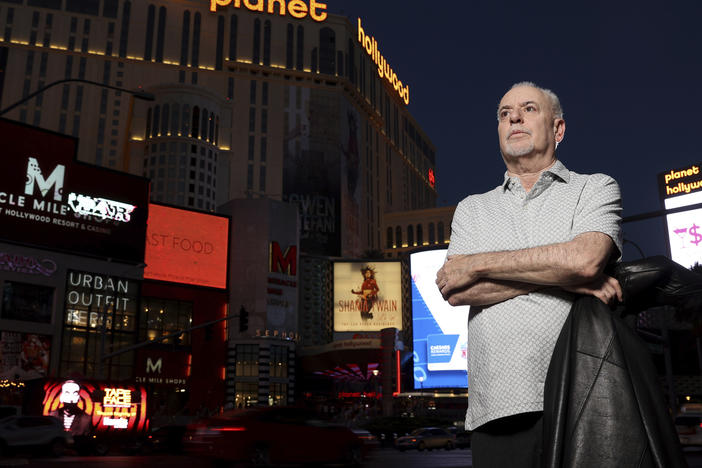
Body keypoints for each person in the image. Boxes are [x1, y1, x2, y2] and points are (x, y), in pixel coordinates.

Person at [435, 82, 623, 468]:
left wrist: (477, 262)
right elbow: (453, 288)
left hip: (585, 394)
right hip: (498, 406)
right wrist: (564, 277)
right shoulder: (472, 209)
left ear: (558, 129)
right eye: (504, 113)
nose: (514, 117)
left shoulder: (595, 188)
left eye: (528, 109)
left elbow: (585, 260)